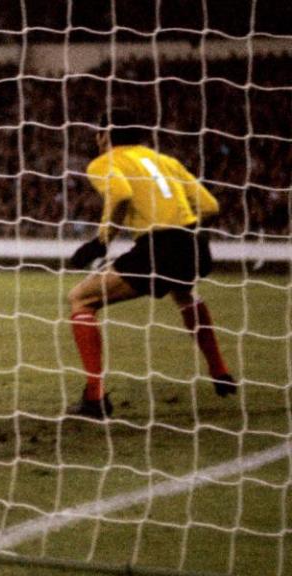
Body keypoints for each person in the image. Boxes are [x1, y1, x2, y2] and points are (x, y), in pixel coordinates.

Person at [67, 108, 236, 419]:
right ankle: (220, 370)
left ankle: (94, 398)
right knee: (184, 293)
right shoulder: (164, 160)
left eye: (99, 133)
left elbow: (119, 193)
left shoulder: (105, 162)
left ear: (105, 135)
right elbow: (210, 206)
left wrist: (100, 241)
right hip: (193, 244)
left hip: (158, 247)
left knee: (81, 299)